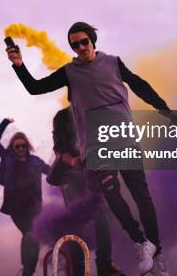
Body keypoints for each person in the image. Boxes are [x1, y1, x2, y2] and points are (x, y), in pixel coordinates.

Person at [6, 22, 177, 276]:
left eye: (84, 42)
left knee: (142, 196)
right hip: (97, 147)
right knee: (112, 195)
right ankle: (140, 243)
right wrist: (19, 65)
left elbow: (139, 85)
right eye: (74, 45)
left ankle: (158, 253)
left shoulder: (113, 63)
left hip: (124, 140)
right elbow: (35, 87)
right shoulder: (70, 72)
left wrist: (165, 110)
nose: (80, 48)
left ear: (93, 41)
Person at [50, 107, 123, 276]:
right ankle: (79, 269)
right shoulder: (62, 117)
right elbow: (59, 150)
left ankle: (105, 264)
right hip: (70, 173)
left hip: (93, 171)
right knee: (77, 220)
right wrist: (73, 161)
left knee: (102, 215)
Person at [0, 117, 51, 276]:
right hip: (15, 206)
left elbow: (51, 172)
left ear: (27, 146)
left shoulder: (36, 161)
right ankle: (27, 270)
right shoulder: (7, 158)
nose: (21, 149)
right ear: (13, 147)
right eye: (17, 146)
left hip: (34, 206)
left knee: (34, 236)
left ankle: (28, 271)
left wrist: (69, 171)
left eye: (23, 146)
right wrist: (5, 122)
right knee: (29, 233)